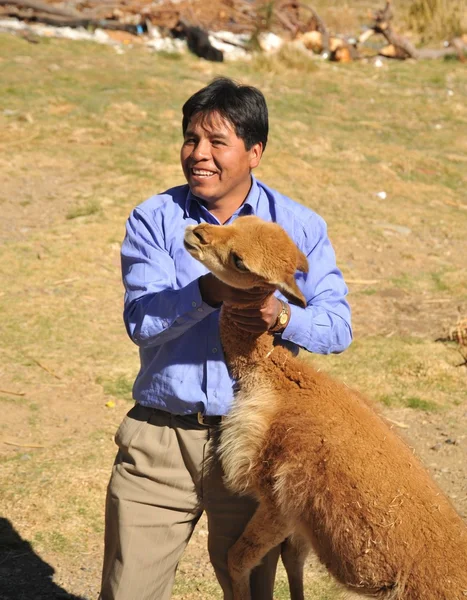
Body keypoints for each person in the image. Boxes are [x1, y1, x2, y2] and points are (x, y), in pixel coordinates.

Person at [100, 77, 352, 600]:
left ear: (254, 152)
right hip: (161, 442)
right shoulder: (154, 220)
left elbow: (337, 326)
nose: (199, 155)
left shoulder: (299, 226)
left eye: (218, 142)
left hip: (253, 443)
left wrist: (279, 316)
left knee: (253, 591)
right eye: (191, 139)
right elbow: (141, 322)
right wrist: (211, 290)